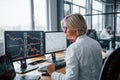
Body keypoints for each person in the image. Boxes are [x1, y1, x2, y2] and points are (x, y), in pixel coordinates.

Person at [47, 13, 103, 80]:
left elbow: (70, 79)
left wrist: (52, 73)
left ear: (75, 28)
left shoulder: (74, 48)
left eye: (65, 28)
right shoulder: (95, 43)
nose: (64, 32)